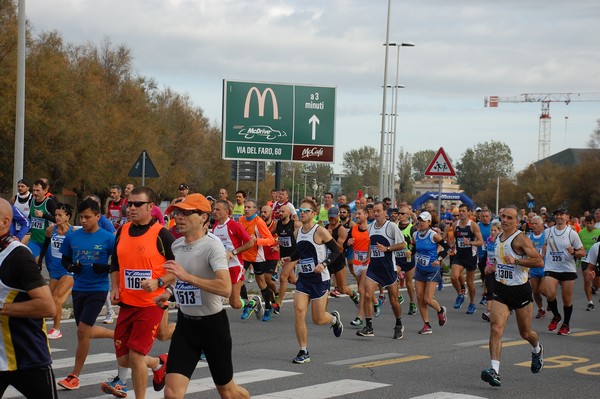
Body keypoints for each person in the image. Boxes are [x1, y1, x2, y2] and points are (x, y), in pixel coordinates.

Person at [153, 194, 250, 399]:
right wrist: (168, 292)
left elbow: (225, 288)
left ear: (204, 217)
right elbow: (180, 277)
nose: (179, 217)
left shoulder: (212, 246)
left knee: (228, 392)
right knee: (171, 393)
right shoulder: (177, 246)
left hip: (212, 327)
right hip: (186, 327)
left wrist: (186, 277)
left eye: (187, 213)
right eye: (178, 213)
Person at [102, 187, 175, 398]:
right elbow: (115, 263)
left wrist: (159, 281)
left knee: (135, 356)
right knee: (124, 359)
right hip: (127, 303)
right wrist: (115, 287)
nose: (131, 208)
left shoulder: (162, 234)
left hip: (151, 304)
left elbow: (180, 268)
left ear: (151, 207)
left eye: (137, 204)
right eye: (129, 204)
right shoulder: (122, 230)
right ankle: (158, 363)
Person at [0, 198, 58, 399]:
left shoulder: (18, 257)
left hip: (27, 358)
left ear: (4, 222)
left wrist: (3, 309)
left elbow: (48, 307)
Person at [481, 205, 544, 387]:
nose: (505, 220)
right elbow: (500, 258)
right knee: (495, 328)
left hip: (520, 290)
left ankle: (537, 348)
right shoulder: (498, 237)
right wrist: (493, 266)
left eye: (510, 218)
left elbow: (539, 261)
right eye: (503, 217)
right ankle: (494, 370)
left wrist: (516, 260)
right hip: (501, 289)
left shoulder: (520, 239)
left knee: (525, 333)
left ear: (516, 221)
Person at [57, 198, 116, 390]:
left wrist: (105, 268)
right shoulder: (73, 236)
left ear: (98, 217)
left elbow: (119, 264)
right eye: (81, 217)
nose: (83, 221)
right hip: (79, 288)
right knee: (83, 333)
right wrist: (71, 266)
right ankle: (118, 334)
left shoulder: (108, 238)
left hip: (98, 289)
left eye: (87, 217)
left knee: (83, 331)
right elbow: (65, 259)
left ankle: (74, 376)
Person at [289, 199, 343, 364]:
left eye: (306, 211)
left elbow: (336, 250)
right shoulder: (297, 232)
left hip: (320, 279)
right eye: (300, 210)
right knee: (299, 313)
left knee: (318, 319)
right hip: (304, 280)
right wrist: (288, 259)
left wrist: (323, 264)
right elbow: (299, 253)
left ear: (313, 214)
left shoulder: (320, 231)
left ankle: (334, 319)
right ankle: (303, 350)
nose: (302, 213)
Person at [356, 202, 406, 339]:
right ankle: (369, 327)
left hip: (388, 269)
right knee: (367, 294)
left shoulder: (391, 227)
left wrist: (387, 249)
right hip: (374, 268)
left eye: (379, 211)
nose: (376, 214)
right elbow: (371, 244)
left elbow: (402, 245)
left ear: (385, 212)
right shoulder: (370, 227)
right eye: (374, 211)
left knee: (394, 300)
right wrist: (368, 256)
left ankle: (398, 323)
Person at [211, 200, 259, 317]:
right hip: (220, 267)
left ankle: (253, 302)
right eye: (214, 209)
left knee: (235, 303)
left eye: (218, 209)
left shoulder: (234, 225)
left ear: (226, 212)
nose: (214, 211)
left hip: (234, 266)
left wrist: (233, 252)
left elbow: (250, 242)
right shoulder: (215, 227)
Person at [543, 208, 585, 335]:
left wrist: (574, 252)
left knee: (566, 299)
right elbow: (545, 245)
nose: (559, 217)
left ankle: (566, 324)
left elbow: (582, 252)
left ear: (567, 217)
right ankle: (556, 316)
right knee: (550, 294)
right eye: (557, 215)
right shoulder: (548, 231)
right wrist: (542, 254)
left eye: (562, 215)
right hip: (551, 267)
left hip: (567, 269)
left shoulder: (572, 233)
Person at [37, 203, 76, 339]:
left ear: (68, 217)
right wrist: (40, 260)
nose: (57, 217)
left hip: (68, 269)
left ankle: (56, 329)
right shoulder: (50, 230)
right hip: (55, 268)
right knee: (49, 300)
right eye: (56, 215)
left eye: (60, 215)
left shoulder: (73, 232)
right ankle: (70, 289)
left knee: (56, 299)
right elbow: (45, 246)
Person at [413, 211, 450, 334]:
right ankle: (427, 325)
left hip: (432, 271)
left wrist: (438, 259)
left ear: (429, 222)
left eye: (424, 221)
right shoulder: (415, 235)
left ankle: (440, 310)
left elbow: (447, 247)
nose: (421, 223)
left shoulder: (433, 235)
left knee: (427, 299)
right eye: (420, 220)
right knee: (419, 298)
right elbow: (414, 249)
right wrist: (409, 253)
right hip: (420, 269)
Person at [239, 200, 275, 320]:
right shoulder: (241, 220)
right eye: (245, 207)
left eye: (249, 207)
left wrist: (256, 241)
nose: (246, 209)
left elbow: (270, 240)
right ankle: (247, 305)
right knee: (238, 280)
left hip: (257, 255)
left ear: (255, 210)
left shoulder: (259, 222)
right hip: (244, 254)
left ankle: (269, 307)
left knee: (261, 282)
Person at [450, 204, 483, 315]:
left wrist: (470, 242)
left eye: (464, 211)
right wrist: (453, 244)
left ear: (469, 212)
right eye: (460, 211)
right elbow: (456, 239)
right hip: (459, 255)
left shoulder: (473, 226)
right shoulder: (455, 225)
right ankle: (460, 294)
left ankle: (472, 303)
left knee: (470, 282)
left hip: (470, 256)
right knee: (454, 276)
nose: (461, 213)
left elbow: (481, 242)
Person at [326, 207, 359, 307]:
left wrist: (330, 237)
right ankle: (322, 311)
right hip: (327, 260)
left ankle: (353, 294)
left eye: (334, 218)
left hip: (338, 261)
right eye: (330, 218)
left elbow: (340, 249)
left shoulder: (341, 230)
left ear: (338, 216)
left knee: (342, 289)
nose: (332, 220)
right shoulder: (326, 227)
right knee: (323, 287)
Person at [273, 203, 301, 313]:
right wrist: (274, 244)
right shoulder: (278, 224)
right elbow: (270, 235)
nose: (280, 213)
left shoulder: (295, 224)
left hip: (293, 255)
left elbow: (306, 233)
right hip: (283, 255)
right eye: (279, 211)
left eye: (283, 211)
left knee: (283, 277)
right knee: (292, 279)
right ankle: (310, 288)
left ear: (289, 213)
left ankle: (278, 303)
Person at [27, 179, 57, 259]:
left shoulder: (49, 203)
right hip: (34, 240)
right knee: (30, 261)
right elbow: (30, 217)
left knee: (51, 266)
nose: (35, 193)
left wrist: (43, 215)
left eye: (38, 190)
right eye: (33, 190)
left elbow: (57, 219)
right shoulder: (31, 201)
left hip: (47, 240)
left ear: (45, 190)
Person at [396, 206, 417, 316]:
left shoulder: (412, 228)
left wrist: (411, 252)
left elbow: (416, 245)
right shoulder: (395, 227)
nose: (400, 215)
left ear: (408, 215)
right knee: (392, 276)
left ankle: (412, 302)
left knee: (409, 283)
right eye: (399, 213)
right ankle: (399, 295)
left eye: (403, 214)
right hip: (398, 258)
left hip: (409, 258)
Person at [578, 215, 600, 311]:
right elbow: (577, 246)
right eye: (587, 223)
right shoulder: (581, 233)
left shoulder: (598, 232)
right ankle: (590, 302)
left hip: (596, 259)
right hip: (585, 259)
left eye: (591, 223)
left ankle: (595, 287)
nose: (589, 225)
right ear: (584, 223)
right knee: (587, 279)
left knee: (596, 283)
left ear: (594, 223)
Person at [528, 215, 547, 319]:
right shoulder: (529, 237)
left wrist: (543, 253)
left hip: (545, 267)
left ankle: (551, 300)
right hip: (534, 267)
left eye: (536, 224)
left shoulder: (546, 235)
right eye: (532, 224)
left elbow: (549, 247)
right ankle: (541, 309)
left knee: (542, 290)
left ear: (541, 225)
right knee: (535, 291)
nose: (534, 225)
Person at [482, 220, 501, 322]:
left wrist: (495, 265)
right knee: (490, 288)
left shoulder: (500, 241)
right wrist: (487, 266)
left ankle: (507, 307)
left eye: (495, 230)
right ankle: (489, 311)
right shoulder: (488, 239)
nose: (493, 232)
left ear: (499, 231)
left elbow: (500, 255)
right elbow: (488, 254)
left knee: (498, 290)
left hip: (499, 267)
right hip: (490, 266)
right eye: (492, 230)